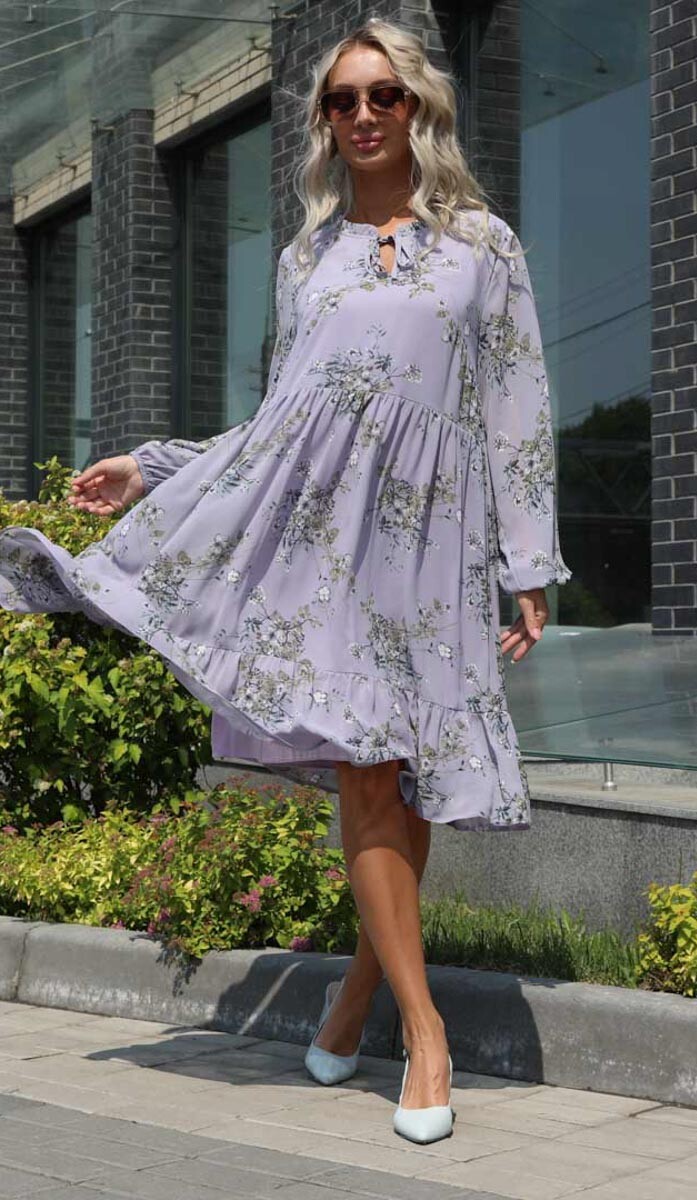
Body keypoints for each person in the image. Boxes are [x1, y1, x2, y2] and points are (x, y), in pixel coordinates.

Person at [0, 17, 570, 1144]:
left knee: (408, 782)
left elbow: (518, 404)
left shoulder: (482, 246)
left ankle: (353, 997)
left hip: (434, 543)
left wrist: (527, 561)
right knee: (367, 771)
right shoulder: (305, 260)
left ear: (419, 106)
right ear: (323, 122)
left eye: (382, 95)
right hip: (333, 552)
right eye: (340, 101)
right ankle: (424, 1034)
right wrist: (155, 465)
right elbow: (281, 425)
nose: (362, 116)